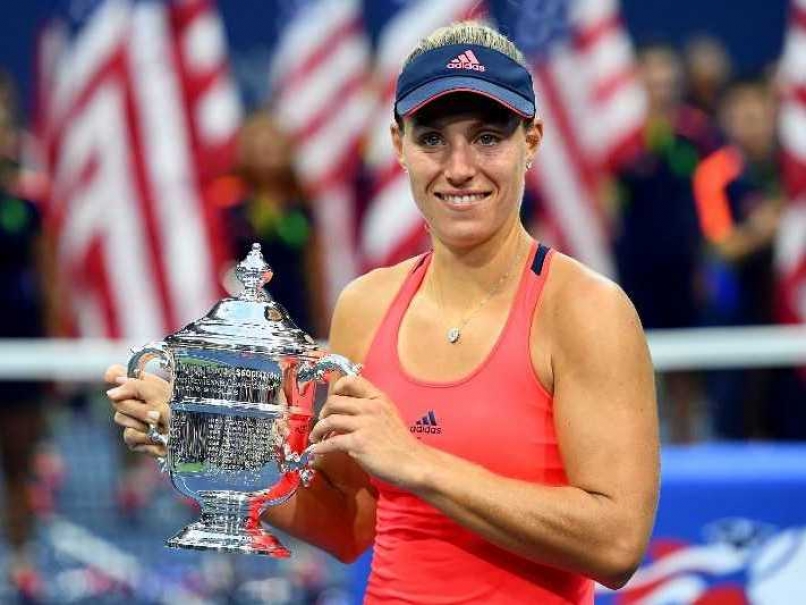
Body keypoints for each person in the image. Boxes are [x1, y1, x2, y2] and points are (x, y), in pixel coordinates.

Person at [106, 22, 660, 604]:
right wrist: (200, 441)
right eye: (433, 140)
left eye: (489, 137)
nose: (460, 167)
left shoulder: (586, 310)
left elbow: (617, 545)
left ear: (532, 141)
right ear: (399, 145)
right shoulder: (366, 306)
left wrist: (417, 462)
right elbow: (348, 522)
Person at [610, 42, 719, 442]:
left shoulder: (696, 131)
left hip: (683, 267)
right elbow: (604, 199)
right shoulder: (621, 136)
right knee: (635, 365)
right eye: (653, 79)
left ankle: (686, 445)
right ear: (637, 82)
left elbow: (711, 201)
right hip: (633, 268)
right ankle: (642, 450)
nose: (662, 86)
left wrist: (706, 265)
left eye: (669, 79)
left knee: (684, 368)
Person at [693, 76, 783, 438]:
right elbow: (722, 246)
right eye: (741, 110)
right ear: (726, 118)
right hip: (735, 309)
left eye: (757, 109)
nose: (750, 118)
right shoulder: (713, 174)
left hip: (786, 307)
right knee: (734, 414)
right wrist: (765, 229)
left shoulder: (791, 168)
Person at [0, 69, 47, 600]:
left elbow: (49, 275)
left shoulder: (27, 202)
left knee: (18, 463)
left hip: (21, 349)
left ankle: (20, 560)